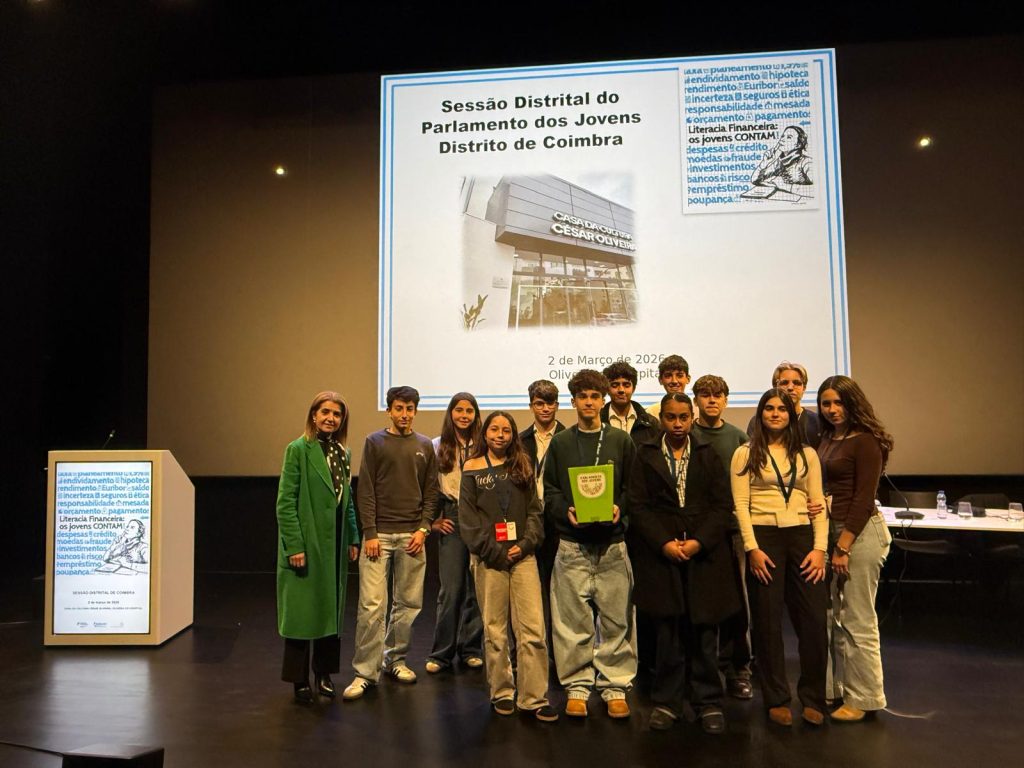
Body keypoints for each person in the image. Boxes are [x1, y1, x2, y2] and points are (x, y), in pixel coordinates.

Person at [628, 393, 739, 733]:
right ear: (660, 418)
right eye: (670, 418)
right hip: (662, 555)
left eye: (683, 418)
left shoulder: (708, 453)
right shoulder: (645, 454)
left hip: (703, 555)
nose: (677, 424)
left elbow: (723, 506)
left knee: (705, 631)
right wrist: (663, 543)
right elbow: (638, 506)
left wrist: (697, 542)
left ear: (692, 418)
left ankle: (708, 702)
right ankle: (667, 702)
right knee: (668, 632)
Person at [731, 388, 828, 726]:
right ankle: (776, 698)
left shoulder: (807, 455)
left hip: (803, 537)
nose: (775, 414)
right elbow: (740, 507)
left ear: (791, 414)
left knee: (814, 622)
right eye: (769, 408)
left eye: (781, 409)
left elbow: (818, 506)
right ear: (760, 414)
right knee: (768, 624)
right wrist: (751, 548)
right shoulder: (745, 454)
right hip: (764, 538)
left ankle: (813, 697)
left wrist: (820, 549)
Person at [544, 369, 637, 718]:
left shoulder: (620, 440)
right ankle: (577, 686)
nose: (589, 402)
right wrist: (563, 510)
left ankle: (615, 685)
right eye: (582, 396)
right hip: (572, 545)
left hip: (612, 545)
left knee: (617, 618)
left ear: (604, 400)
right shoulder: (561, 442)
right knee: (571, 621)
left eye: (595, 396)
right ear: (573, 401)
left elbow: (631, 488)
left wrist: (620, 509)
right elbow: (550, 489)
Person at [459, 411, 558, 722]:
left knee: (533, 630)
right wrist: (496, 553)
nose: (500, 435)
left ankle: (534, 697)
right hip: (490, 560)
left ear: (513, 435)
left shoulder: (522, 465)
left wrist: (525, 544)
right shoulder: (472, 468)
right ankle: (502, 692)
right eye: (494, 429)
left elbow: (534, 512)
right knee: (495, 629)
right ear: (485, 433)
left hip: (523, 556)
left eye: (506, 430)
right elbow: (469, 523)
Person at [344, 386, 439, 700]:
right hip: (379, 538)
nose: (405, 414)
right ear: (389, 410)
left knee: (408, 604)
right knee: (372, 606)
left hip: (412, 537)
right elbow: (366, 490)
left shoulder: (425, 446)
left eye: (410, 408)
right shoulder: (374, 442)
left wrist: (424, 529)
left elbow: (431, 493)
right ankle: (364, 672)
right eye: (399, 408)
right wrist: (369, 532)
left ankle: (395, 659)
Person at [817, 375, 894, 723]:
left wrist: (843, 547)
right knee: (833, 617)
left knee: (858, 619)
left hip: (859, 535)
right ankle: (838, 689)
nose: (832, 410)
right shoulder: (828, 438)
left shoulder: (866, 441)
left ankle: (865, 698)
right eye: (826, 403)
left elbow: (864, 499)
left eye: (838, 403)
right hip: (834, 533)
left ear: (853, 402)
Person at [275, 392, 360, 703]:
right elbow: (285, 503)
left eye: (337, 414)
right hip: (308, 545)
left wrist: (352, 536)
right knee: (301, 615)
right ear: (313, 415)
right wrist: (294, 545)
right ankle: (299, 681)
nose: (331, 418)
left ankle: (323, 675)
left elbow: (346, 500)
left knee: (329, 613)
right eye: (325, 412)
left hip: (334, 544)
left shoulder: (342, 452)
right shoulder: (298, 450)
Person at [690, 374, 753, 701]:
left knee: (736, 604)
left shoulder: (739, 438)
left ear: (726, 400)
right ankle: (703, 668)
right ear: (696, 399)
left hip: (732, 533)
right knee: (701, 606)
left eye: (718, 395)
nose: (711, 400)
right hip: (696, 533)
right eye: (705, 394)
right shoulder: (687, 433)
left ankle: (738, 668)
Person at [425, 393, 484, 674]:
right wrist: (433, 522)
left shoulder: (484, 445)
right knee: (451, 590)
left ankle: (471, 648)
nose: (464, 415)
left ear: (475, 415)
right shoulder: (436, 446)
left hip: (481, 519)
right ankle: (441, 653)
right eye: (459, 410)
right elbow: (428, 490)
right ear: (450, 414)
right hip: (452, 515)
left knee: (478, 589)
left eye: (469, 411)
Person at [747, 361, 822, 448]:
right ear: (775, 387)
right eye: (784, 383)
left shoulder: (816, 422)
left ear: (804, 388)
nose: (790, 388)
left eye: (797, 383)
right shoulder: (759, 421)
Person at [601, 361, 660, 444]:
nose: (621, 390)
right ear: (607, 389)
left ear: (634, 388)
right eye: (615, 385)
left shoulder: (651, 423)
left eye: (626, 385)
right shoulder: (597, 421)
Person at [750, 125, 813, 196]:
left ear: (798, 145)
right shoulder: (777, 162)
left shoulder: (806, 162)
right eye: (783, 136)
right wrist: (764, 164)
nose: (782, 139)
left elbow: (814, 189)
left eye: (789, 137)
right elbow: (755, 181)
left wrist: (784, 186)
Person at [646, 355, 691, 420]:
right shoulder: (651, 413)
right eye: (668, 376)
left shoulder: (699, 410)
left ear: (688, 379)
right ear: (660, 380)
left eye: (679, 375)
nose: (674, 381)